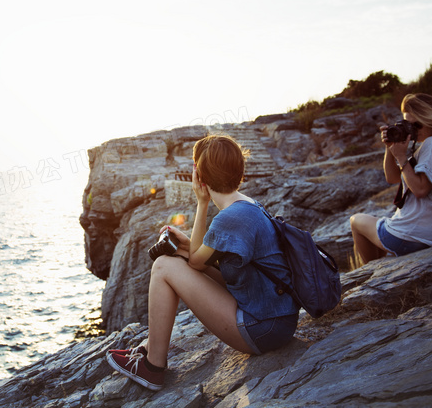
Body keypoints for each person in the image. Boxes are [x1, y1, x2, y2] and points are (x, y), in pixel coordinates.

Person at [106, 134, 299, 390]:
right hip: (278, 320)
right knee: (181, 257)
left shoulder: (229, 218)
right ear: (239, 171)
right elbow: (220, 266)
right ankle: (150, 346)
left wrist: (202, 201)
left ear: (199, 176)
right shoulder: (251, 206)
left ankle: (152, 366)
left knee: (164, 266)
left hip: (263, 328)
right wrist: (188, 248)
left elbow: (197, 263)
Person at [350, 93, 432, 266]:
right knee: (380, 224)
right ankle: (379, 269)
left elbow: (420, 190)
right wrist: (391, 148)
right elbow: (393, 177)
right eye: (408, 125)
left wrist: (402, 159)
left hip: (416, 235)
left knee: (356, 220)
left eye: (417, 125)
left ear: (431, 119)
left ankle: (373, 273)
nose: (413, 131)